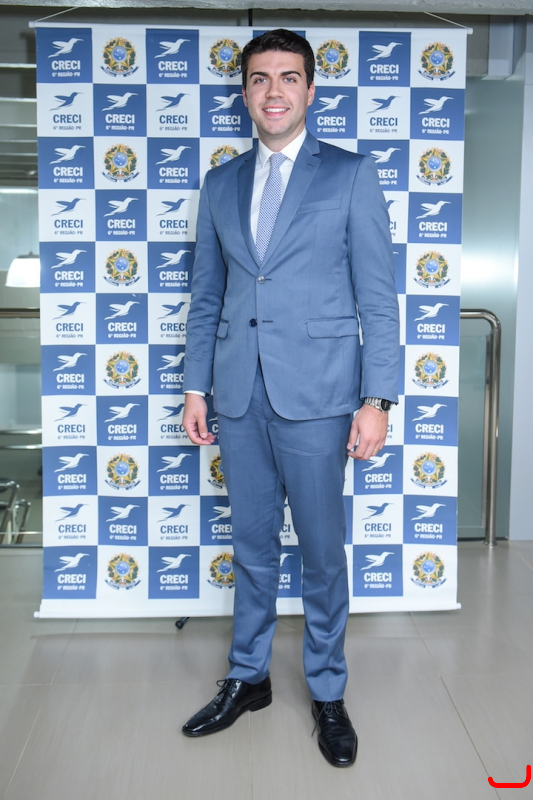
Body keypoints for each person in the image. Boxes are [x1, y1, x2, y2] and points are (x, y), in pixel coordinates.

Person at [181, 28, 399, 768]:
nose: (273, 91)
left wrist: (378, 400)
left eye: (288, 77)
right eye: (259, 78)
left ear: (309, 89)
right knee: (250, 547)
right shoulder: (220, 183)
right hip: (239, 395)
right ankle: (248, 678)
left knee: (321, 553)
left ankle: (328, 690)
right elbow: (207, 296)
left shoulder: (350, 174)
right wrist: (196, 387)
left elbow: (378, 298)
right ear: (244, 92)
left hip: (321, 395)